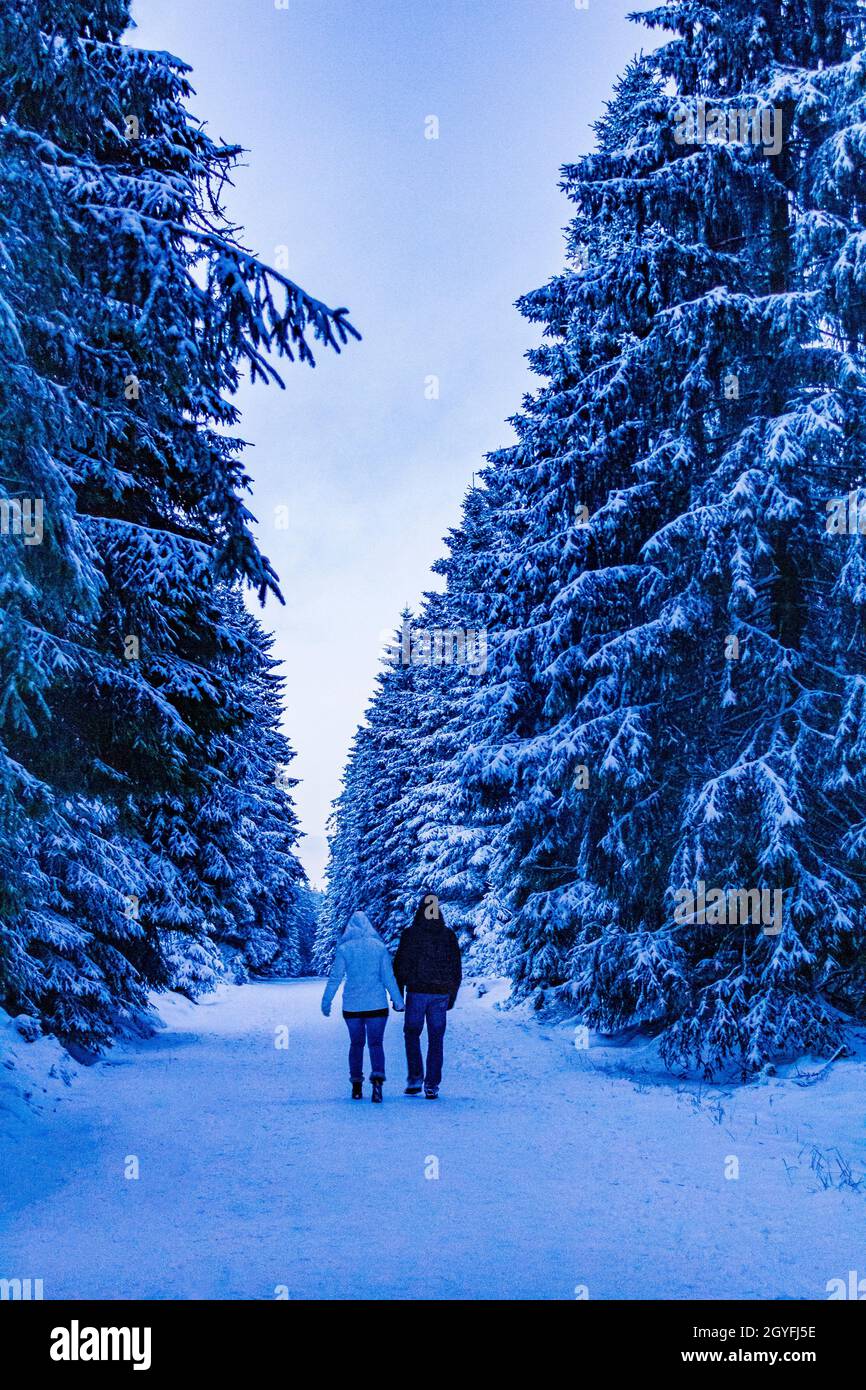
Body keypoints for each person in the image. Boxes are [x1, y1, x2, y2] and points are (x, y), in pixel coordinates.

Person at [321, 911, 404, 1103]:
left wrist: (326, 1001)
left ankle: (356, 1085)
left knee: (356, 1044)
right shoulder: (379, 948)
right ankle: (377, 1082)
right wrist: (398, 1000)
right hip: (377, 1006)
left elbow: (335, 978)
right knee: (376, 1044)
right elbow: (388, 978)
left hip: (352, 1007)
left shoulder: (345, 949)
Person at [393, 894, 462, 1099]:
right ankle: (431, 1084)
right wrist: (452, 995)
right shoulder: (448, 935)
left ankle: (415, 1078)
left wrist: (398, 995)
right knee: (436, 1039)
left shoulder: (410, 934)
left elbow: (399, 966)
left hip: (416, 993)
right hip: (440, 995)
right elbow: (456, 968)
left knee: (412, 1034)